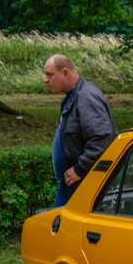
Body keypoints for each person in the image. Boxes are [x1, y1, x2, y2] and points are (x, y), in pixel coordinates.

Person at [43, 54, 117, 206]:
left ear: (65, 73)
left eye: (50, 74)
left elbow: (102, 137)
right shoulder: (74, 96)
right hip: (72, 182)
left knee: (61, 227)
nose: (45, 80)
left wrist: (80, 168)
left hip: (82, 181)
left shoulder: (86, 97)